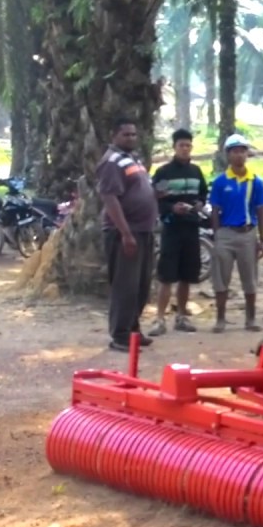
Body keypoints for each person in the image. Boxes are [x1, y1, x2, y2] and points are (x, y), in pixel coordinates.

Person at [97, 116, 158, 352]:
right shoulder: (111, 161)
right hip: (125, 232)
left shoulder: (132, 159)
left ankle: (133, 329)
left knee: (141, 284)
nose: (131, 138)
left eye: (134, 134)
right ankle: (120, 334)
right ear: (114, 135)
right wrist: (125, 233)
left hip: (144, 230)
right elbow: (110, 198)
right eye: (126, 134)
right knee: (126, 285)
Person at [147, 128, 209, 337]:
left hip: (191, 228)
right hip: (172, 229)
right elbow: (157, 198)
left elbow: (203, 194)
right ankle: (159, 319)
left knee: (187, 275)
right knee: (166, 276)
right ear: (174, 147)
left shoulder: (196, 172)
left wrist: (199, 204)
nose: (185, 149)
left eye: (188, 145)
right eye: (181, 145)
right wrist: (172, 208)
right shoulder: (164, 173)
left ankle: (181, 317)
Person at [208, 133, 263, 332]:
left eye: (242, 151)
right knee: (221, 278)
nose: (239, 155)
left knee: (249, 279)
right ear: (228, 155)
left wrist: (262, 237)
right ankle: (220, 319)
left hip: (248, 234)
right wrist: (217, 235)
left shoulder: (256, 182)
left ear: (247, 154)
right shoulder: (220, 182)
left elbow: (261, 210)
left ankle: (250, 319)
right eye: (235, 151)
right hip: (225, 232)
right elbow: (215, 210)